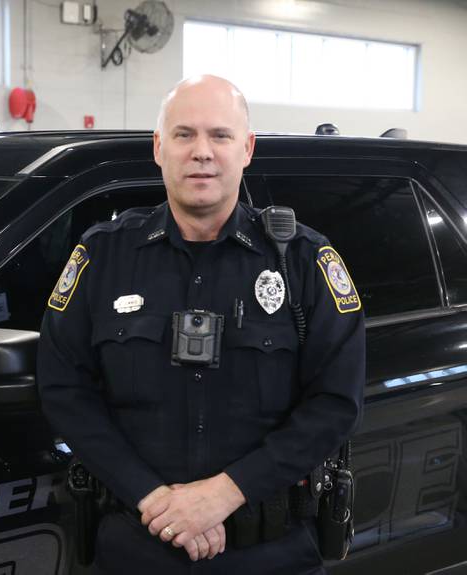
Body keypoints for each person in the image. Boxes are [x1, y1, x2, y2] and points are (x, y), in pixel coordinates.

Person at [37, 75, 365, 574]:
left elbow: (336, 402)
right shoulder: (103, 255)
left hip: (271, 553)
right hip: (135, 546)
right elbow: (64, 387)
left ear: (247, 148)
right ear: (159, 147)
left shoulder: (304, 261)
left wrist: (224, 495)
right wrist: (150, 497)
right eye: (184, 134)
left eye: (221, 135)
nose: (202, 152)